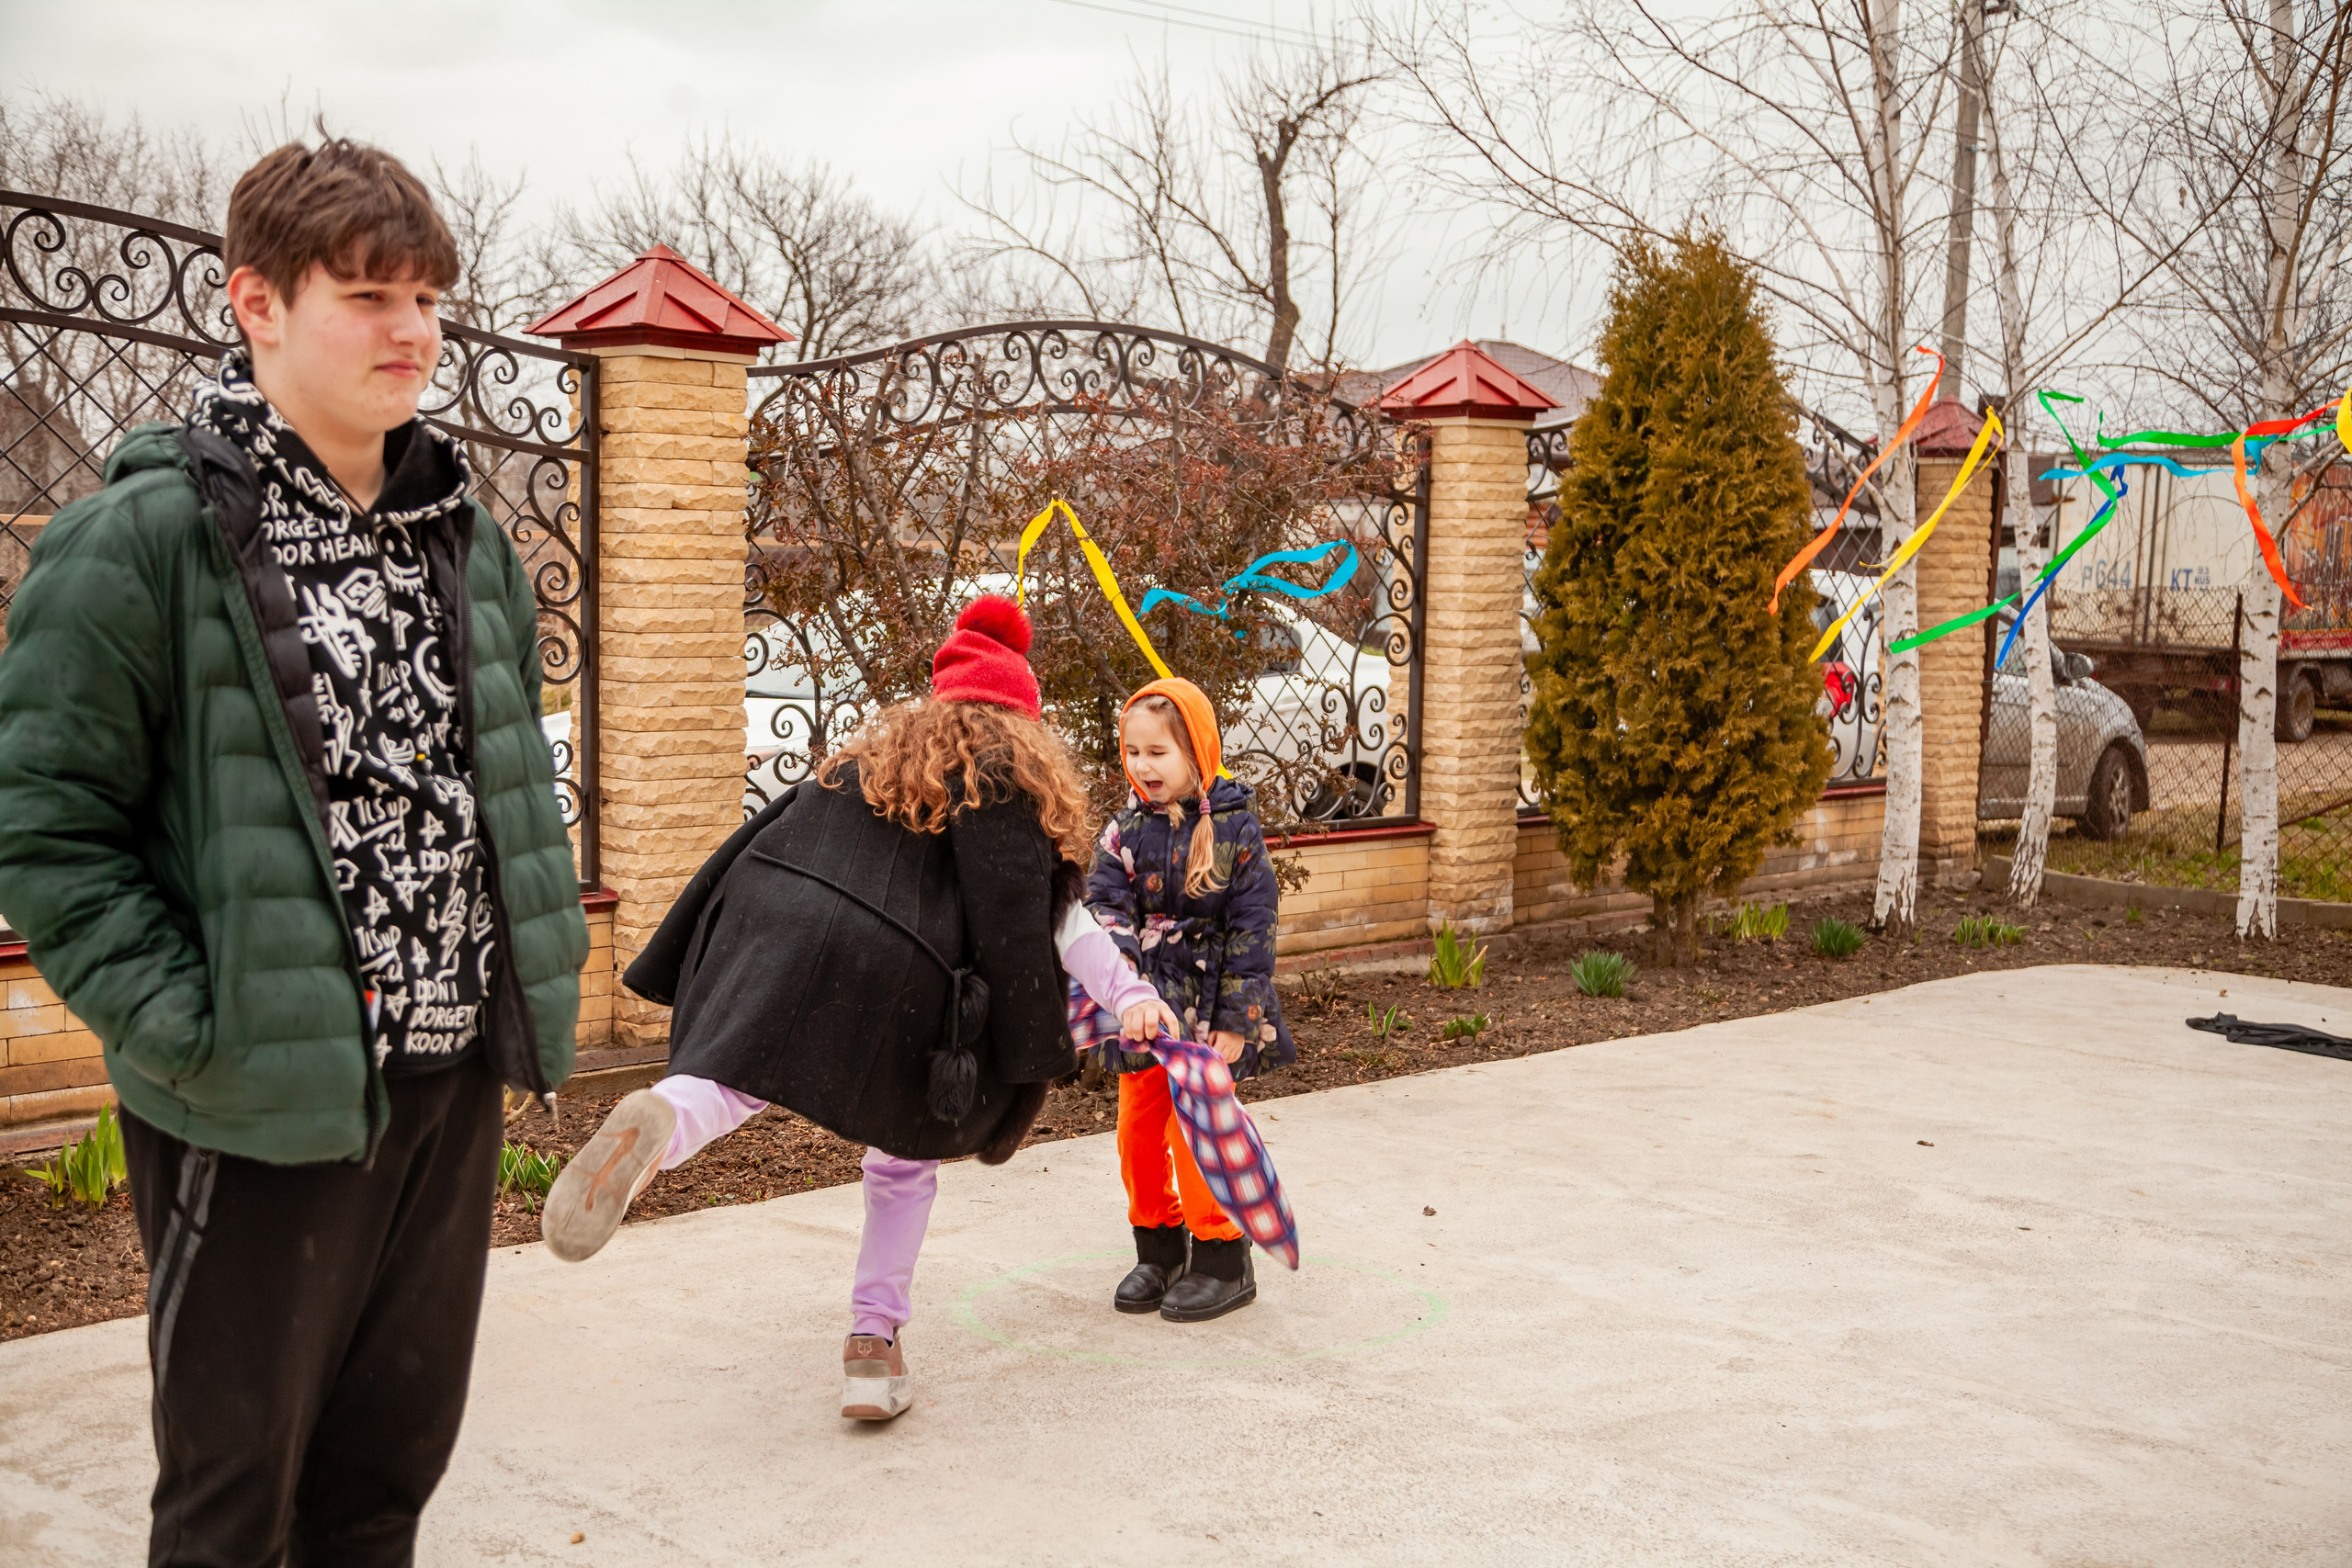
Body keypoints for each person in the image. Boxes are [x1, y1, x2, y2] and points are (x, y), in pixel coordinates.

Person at [0, 138, 587, 1565]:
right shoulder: (143, 539)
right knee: (232, 1503)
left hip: (449, 1080)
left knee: (381, 1485)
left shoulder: (467, 537)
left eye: (429, 298)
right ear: (257, 302)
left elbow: (502, 776)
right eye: (369, 295)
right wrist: (191, 1027)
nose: (413, 330)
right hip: (256, 1100)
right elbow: (44, 826)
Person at [542, 595, 1181, 1421]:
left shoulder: (863, 768)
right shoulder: (1005, 788)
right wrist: (1129, 994)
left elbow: (765, 842)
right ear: (1023, 724)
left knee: (736, 1079)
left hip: (793, 930)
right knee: (905, 1152)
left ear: (936, 706)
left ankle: (665, 1119)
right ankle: (872, 1344)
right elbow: (1058, 926)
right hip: (906, 978)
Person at [1087, 677, 1295, 1323]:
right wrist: (1121, 982)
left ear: (1196, 752)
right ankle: (1159, 1247)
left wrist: (1237, 1019)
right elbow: (1104, 908)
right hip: (1145, 1010)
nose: (1144, 765)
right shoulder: (1123, 831)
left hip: (1207, 1011)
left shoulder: (1235, 829)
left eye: (1159, 752)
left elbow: (1254, 927)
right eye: (1134, 752)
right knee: (1138, 1130)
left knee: (1196, 1131)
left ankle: (1223, 1255)